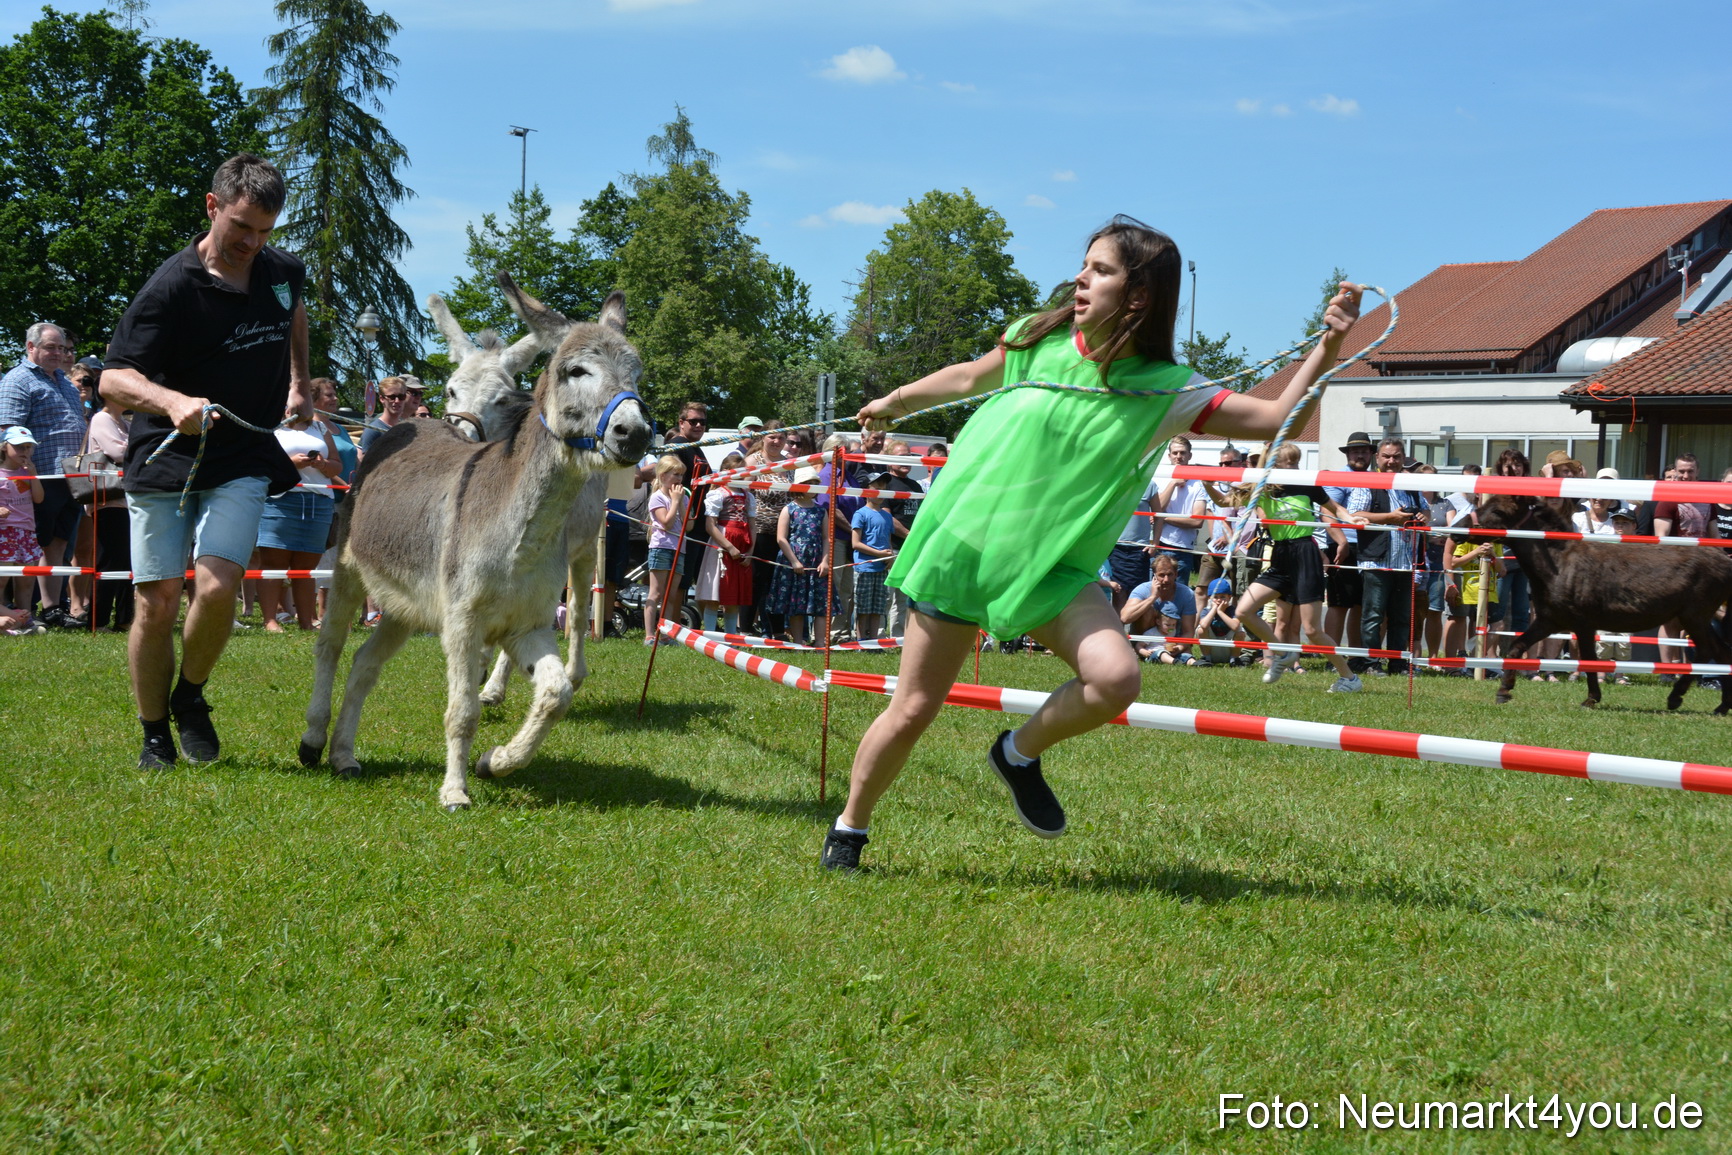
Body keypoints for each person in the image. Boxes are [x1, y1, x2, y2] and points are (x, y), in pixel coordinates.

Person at [819, 215, 1365, 871]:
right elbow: (967, 378)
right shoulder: (1037, 339)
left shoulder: (1168, 389)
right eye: (1084, 266)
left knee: (1116, 677)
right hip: (966, 548)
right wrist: (896, 401)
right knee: (912, 709)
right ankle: (849, 830)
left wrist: (1329, 347)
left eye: (1100, 270)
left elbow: (1277, 421)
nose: (1080, 279)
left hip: (1051, 566)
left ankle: (1017, 754)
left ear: (1139, 295)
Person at [99, 153, 311, 770]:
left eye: (265, 230)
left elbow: (294, 311)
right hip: (166, 456)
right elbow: (112, 379)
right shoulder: (171, 287)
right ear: (213, 206)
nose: (253, 243)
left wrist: (299, 381)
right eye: (242, 226)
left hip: (243, 453)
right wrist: (171, 402)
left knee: (217, 586)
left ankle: (190, 697)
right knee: (158, 601)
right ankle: (154, 733)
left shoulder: (282, 271)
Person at [1229, 442, 1363, 691]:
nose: (1294, 467)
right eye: (1288, 462)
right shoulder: (1262, 487)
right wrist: (1206, 482)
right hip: (1280, 555)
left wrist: (1351, 519)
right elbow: (1224, 499)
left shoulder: (1306, 484)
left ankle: (1349, 678)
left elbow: (1335, 508)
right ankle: (1283, 654)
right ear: (1274, 464)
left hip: (1305, 554)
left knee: (1312, 630)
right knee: (1243, 611)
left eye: (1296, 462)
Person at [0, 322, 87, 627]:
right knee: (32, 543)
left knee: (59, 542)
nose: (58, 353)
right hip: (37, 479)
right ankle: (14, 611)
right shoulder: (18, 380)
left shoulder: (64, 381)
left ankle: (52, 609)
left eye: (62, 348)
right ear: (31, 347)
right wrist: (23, 472)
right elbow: (7, 431)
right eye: (51, 347)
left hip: (71, 477)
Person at [256, 406, 341, 632]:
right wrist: (291, 463)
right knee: (274, 563)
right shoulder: (271, 425)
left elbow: (337, 465)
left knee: (306, 567)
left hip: (319, 502)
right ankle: (270, 620)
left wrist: (323, 464)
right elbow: (260, 463)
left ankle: (306, 622)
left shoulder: (320, 427)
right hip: (280, 499)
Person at [1349, 437, 1428, 675]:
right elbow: (1355, 514)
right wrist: (1390, 518)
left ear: (1403, 458)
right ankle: (1371, 663)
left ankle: (1398, 663)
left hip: (1406, 561)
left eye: (1396, 456)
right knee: (1373, 615)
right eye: (1386, 456)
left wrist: (1424, 515)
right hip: (1376, 560)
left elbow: (1426, 509)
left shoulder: (1411, 484)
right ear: (1377, 458)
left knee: (1402, 617)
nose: (1391, 461)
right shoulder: (1367, 482)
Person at [82, 381, 136, 632]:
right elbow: (117, 452)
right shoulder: (101, 419)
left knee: (128, 561)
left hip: (126, 500)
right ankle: (98, 620)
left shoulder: (124, 422)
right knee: (109, 561)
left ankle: (125, 619)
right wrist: (143, 448)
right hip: (108, 500)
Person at [766, 467, 832, 644]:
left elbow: (826, 538)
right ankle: (798, 641)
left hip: (816, 561)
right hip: (795, 560)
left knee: (821, 604)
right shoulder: (789, 509)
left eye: (815, 483)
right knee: (797, 604)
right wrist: (794, 561)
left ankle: (820, 642)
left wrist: (825, 561)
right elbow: (781, 538)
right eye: (808, 483)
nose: (812, 487)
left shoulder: (821, 511)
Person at [1323, 431, 1374, 648]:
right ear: (1347, 454)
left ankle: (1356, 655)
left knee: (1361, 605)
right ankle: (1331, 655)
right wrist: (1341, 542)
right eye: (1355, 451)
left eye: (1364, 451)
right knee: (1339, 603)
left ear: (1371, 454)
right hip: (1343, 546)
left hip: (1370, 547)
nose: (1360, 455)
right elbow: (1326, 513)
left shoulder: (1377, 478)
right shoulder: (1338, 477)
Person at [695, 451, 756, 634]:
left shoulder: (748, 496)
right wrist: (729, 547)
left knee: (734, 598)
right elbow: (710, 525)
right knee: (715, 593)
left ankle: (732, 638)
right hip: (722, 546)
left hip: (743, 544)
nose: (740, 476)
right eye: (736, 472)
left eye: (743, 472)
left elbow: (752, 526)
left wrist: (750, 551)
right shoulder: (718, 494)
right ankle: (710, 635)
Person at [745, 420, 792, 636]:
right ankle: (746, 629)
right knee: (756, 581)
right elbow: (743, 495)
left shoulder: (790, 463)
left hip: (784, 534)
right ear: (763, 437)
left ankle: (777, 631)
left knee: (778, 584)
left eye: (781, 437)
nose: (776, 441)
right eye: (772, 436)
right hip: (759, 532)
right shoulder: (753, 462)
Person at [1, 427, 46, 624]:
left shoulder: (27, 472)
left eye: (28, 447)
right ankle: (4, 620)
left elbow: (39, 498)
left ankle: (25, 619)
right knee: (2, 580)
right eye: (19, 447)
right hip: (4, 532)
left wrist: (33, 474)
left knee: (26, 581)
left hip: (27, 532)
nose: (25, 451)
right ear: (4, 447)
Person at [1120, 554, 1198, 664]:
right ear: (1154, 575)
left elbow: (1188, 630)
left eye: (1170, 574)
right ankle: (1142, 651)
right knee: (1148, 609)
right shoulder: (1142, 589)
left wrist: (1180, 647)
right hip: (1143, 642)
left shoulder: (1186, 594)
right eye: (1161, 575)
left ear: (1176, 574)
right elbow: (1125, 617)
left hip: (1172, 642)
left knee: (1186, 654)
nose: (1166, 580)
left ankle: (1184, 658)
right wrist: (1152, 597)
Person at [643, 455, 689, 642]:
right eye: (675, 474)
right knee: (656, 593)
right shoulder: (657, 497)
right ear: (663, 476)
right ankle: (649, 635)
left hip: (679, 549)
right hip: (661, 547)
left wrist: (681, 503)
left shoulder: (683, 497)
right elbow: (667, 523)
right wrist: (676, 502)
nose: (679, 479)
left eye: (681, 475)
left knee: (671, 595)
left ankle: (665, 635)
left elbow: (688, 525)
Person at [1151, 436, 1208, 585]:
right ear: (1169, 455)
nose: (1178, 456)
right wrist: (1172, 484)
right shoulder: (1160, 478)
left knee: (1179, 591)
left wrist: (1164, 518)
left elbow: (1197, 521)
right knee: (1156, 590)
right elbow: (1157, 509)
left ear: (1190, 455)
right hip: (1160, 543)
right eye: (1175, 453)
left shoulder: (1198, 484)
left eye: (1183, 453)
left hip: (1184, 548)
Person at [850, 491, 897, 641]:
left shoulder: (887, 516)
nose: (880, 491)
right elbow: (855, 543)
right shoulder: (860, 514)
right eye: (876, 488)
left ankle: (873, 641)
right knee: (863, 607)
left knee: (878, 607)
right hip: (865, 567)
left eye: (883, 488)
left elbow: (888, 540)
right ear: (866, 492)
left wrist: (890, 558)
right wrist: (879, 554)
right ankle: (861, 640)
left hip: (882, 567)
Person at [360, 376, 412, 453]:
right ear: (382, 399)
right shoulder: (373, 431)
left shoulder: (406, 428)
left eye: (401, 397)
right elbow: (365, 459)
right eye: (392, 397)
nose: (397, 401)